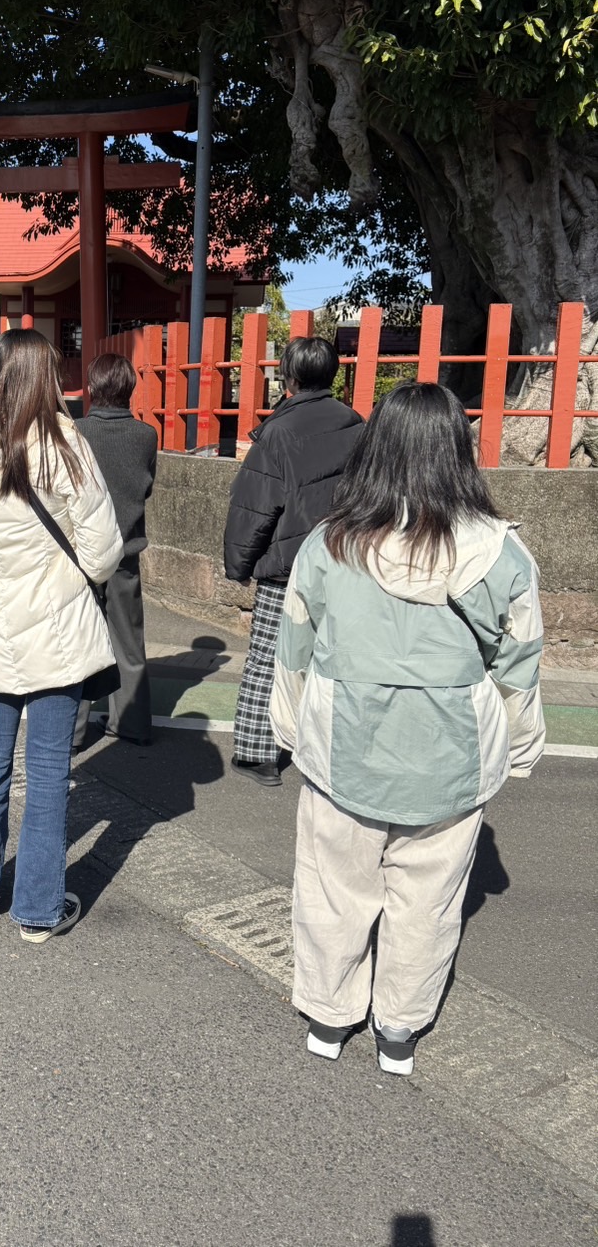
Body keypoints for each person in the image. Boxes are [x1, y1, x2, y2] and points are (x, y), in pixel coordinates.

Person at [270, 382, 544, 1075]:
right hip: (451, 755)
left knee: (334, 888)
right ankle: (399, 1029)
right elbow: (518, 666)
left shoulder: (329, 544)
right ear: (458, 451)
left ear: (377, 448)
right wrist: (518, 746)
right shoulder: (502, 555)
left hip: (343, 745)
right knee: (427, 901)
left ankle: (329, 1016)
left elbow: (295, 647)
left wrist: (291, 725)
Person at [0, 329, 123, 942]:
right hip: (55, 632)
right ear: (48, 376)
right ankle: (38, 909)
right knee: (46, 772)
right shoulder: (64, 442)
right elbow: (102, 553)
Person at [223, 336, 362, 787]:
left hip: (287, 566)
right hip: (344, 562)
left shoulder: (279, 431)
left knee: (269, 657)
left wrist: (239, 565)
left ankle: (257, 753)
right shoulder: (357, 426)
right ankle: (326, 749)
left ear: (289, 376)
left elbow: (254, 506)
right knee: (334, 660)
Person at [72, 352, 159, 748]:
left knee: (79, 643)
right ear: (130, 388)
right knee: (128, 642)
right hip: (125, 553)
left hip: (80, 555)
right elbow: (146, 486)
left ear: (93, 387)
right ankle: (132, 722)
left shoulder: (75, 432)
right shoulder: (146, 435)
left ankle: (71, 731)